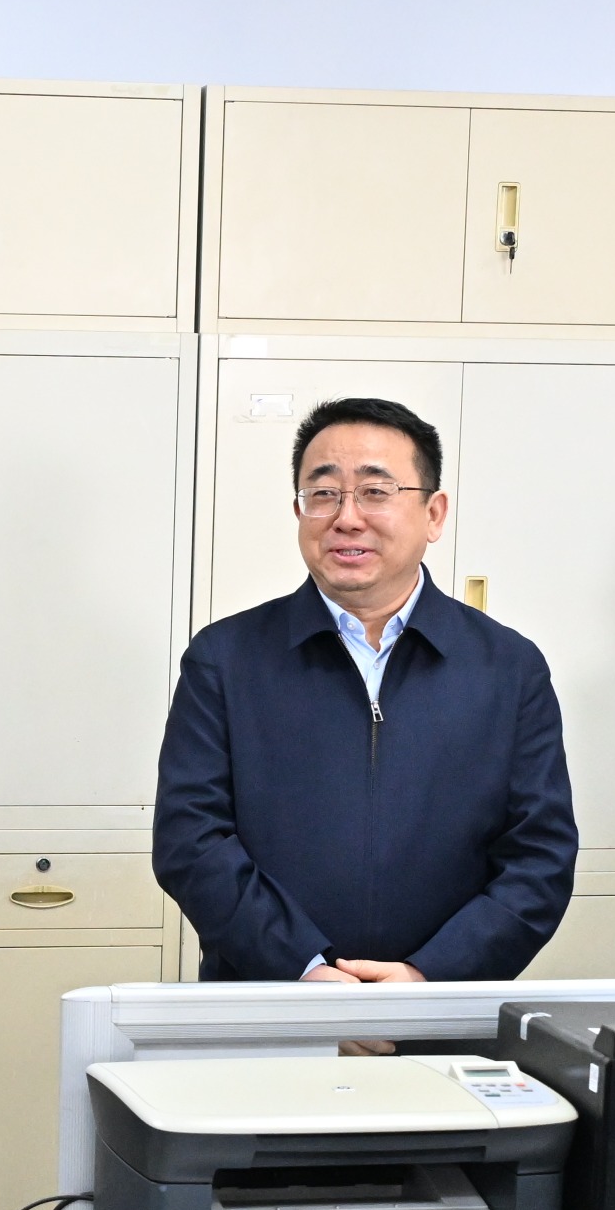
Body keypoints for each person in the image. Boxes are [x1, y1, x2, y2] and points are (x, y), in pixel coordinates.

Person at [154, 397, 579, 988]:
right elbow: (191, 840)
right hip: (270, 1004)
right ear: (299, 510)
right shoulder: (226, 658)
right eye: (323, 493)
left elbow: (539, 857)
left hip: (441, 1013)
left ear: (434, 514)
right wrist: (301, 968)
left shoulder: (508, 668)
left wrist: (430, 975)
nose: (346, 518)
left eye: (376, 492)